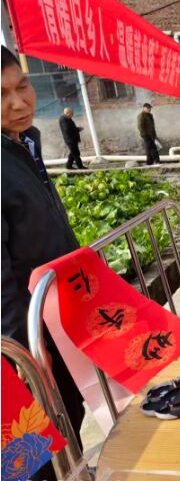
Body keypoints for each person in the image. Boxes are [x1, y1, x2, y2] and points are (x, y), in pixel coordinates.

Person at [1, 46, 85, 481]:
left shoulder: (22, 145)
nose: (18, 103)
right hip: (25, 338)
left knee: (70, 416)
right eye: (2, 95)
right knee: (36, 453)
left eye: (22, 86)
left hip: (53, 320)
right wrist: (25, 352)